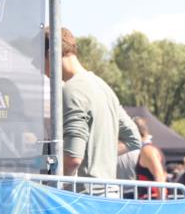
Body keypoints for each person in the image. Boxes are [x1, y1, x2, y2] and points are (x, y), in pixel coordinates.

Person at [48, 27, 140, 193]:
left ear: (51, 53)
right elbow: (133, 139)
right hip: (109, 194)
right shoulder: (103, 86)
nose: (39, 68)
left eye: (38, 61)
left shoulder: (72, 89)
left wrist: (49, 191)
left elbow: (73, 159)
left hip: (85, 198)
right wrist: (97, 155)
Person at [132, 116, 167, 199]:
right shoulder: (146, 149)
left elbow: (160, 177)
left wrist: (162, 203)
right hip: (148, 200)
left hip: (151, 201)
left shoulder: (147, 150)